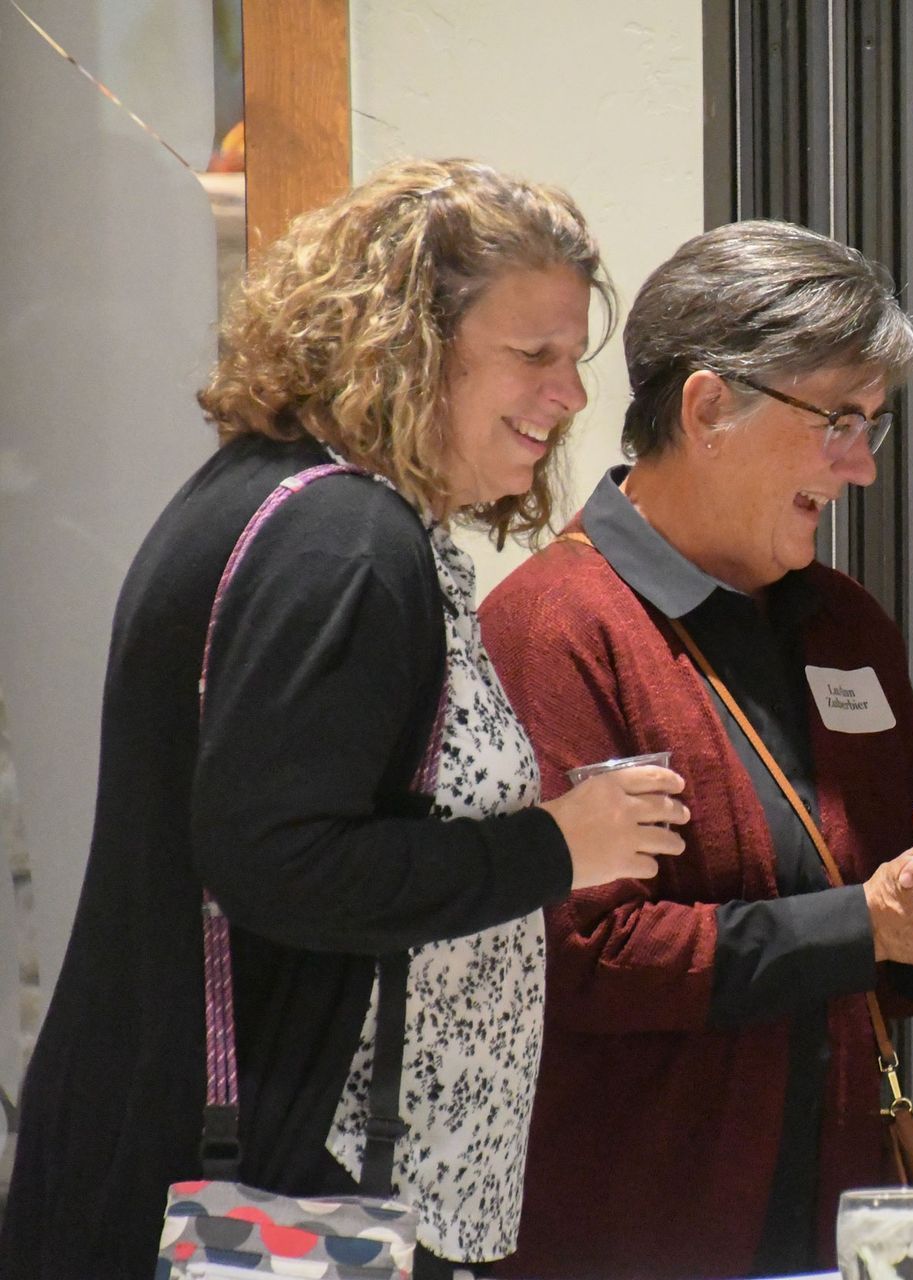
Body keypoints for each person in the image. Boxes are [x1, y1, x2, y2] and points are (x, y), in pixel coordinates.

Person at [0, 158, 685, 1280]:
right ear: (409, 341)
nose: (567, 396)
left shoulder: (280, 497)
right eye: (533, 355)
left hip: (236, 1161)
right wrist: (559, 845)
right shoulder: (346, 545)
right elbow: (282, 860)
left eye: (574, 358)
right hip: (278, 1193)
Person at [480, 219, 913, 1279]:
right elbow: (574, 960)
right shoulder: (552, 625)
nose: (862, 465)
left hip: (835, 1226)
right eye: (838, 421)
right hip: (627, 1231)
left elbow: (877, 941)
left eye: (875, 425)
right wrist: (861, 921)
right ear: (707, 405)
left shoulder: (845, 626)